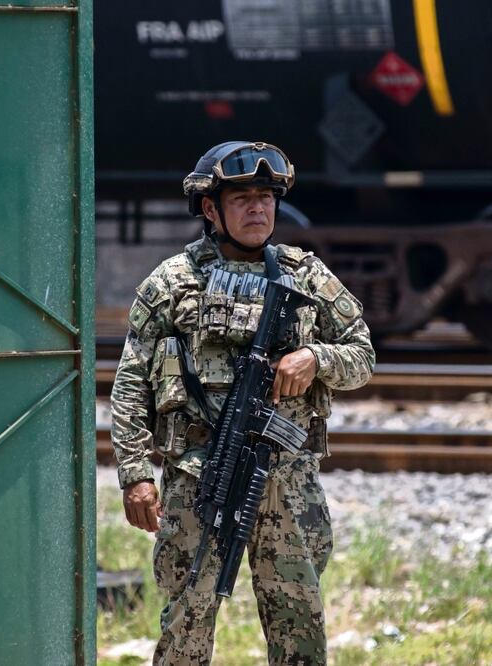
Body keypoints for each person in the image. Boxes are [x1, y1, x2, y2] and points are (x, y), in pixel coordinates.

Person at [110, 141, 375, 665]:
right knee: (187, 616)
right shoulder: (171, 283)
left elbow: (362, 355)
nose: (258, 209)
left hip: (287, 479)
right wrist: (136, 474)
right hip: (199, 477)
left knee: (297, 619)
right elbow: (130, 383)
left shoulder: (306, 276)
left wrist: (314, 359)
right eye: (242, 199)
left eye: (265, 198)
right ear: (211, 209)